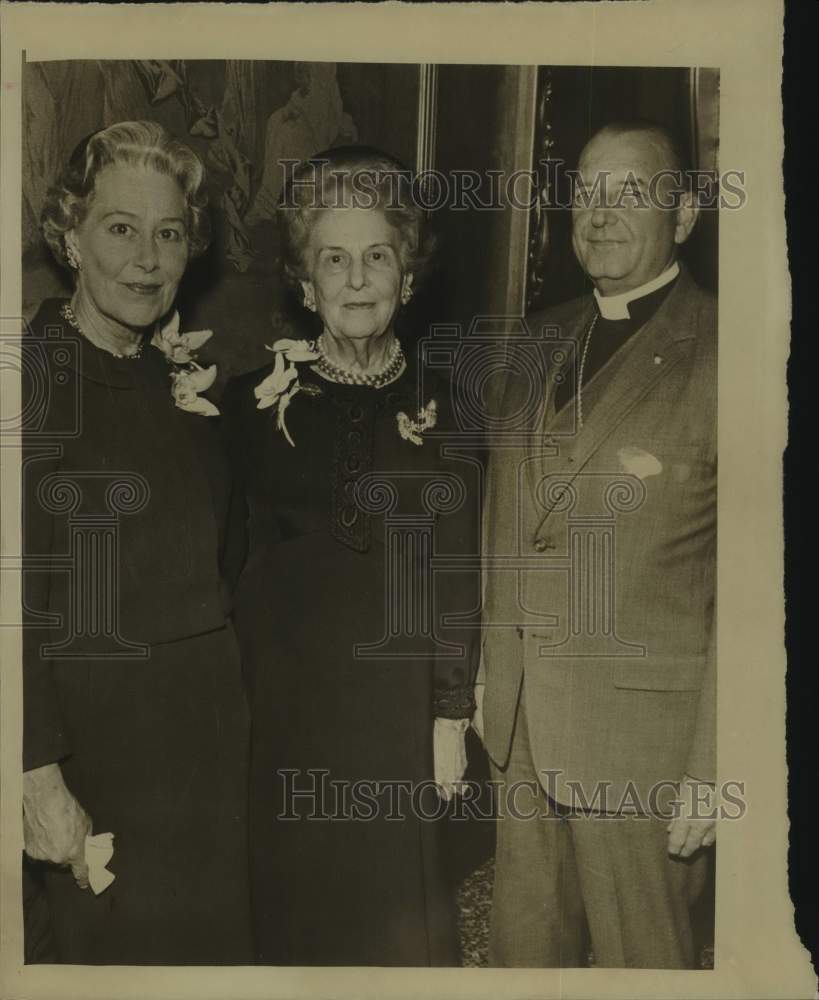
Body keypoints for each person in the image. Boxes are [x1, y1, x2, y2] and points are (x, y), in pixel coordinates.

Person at [223, 146, 481, 966]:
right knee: (295, 919)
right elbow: (224, 560)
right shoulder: (245, 405)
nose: (358, 278)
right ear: (306, 285)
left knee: (392, 927)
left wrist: (448, 714)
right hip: (287, 717)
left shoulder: (450, 408)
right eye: (334, 260)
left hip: (395, 716)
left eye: (378, 256)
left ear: (407, 276)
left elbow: (457, 567)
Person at [476, 120, 717, 968]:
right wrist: (488, 675)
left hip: (645, 742)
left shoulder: (732, 352)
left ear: (683, 215)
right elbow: (504, 525)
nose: (600, 213)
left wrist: (714, 760)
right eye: (585, 191)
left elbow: (761, 588)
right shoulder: (530, 343)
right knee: (523, 961)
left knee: (644, 966)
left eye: (630, 192)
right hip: (522, 731)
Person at [21, 120, 252, 964]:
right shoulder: (30, 379)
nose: (146, 259)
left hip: (206, 746)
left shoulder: (180, 379)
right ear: (70, 235)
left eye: (169, 234)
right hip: (96, 752)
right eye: (120, 228)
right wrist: (34, 773)